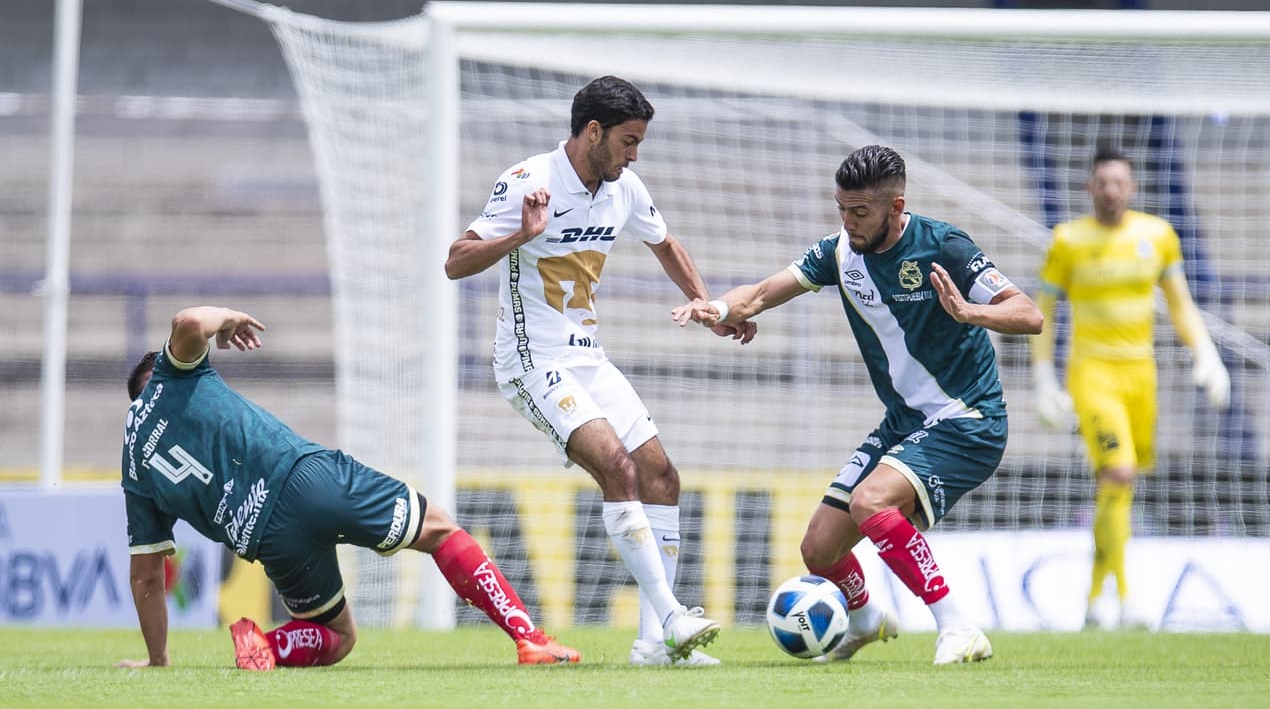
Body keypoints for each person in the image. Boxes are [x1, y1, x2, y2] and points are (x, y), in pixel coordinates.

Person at [673, 144, 1044, 665]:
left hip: (968, 419)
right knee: (820, 548)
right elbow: (759, 294)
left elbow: (1029, 315)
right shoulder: (840, 252)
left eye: (860, 212)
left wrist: (969, 313)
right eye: (841, 209)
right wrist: (715, 307)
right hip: (906, 422)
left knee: (871, 502)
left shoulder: (945, 246)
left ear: (895, 207)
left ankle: (958, 626)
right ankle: (867, 620)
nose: (847, 222)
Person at [446, 75, 748, 666]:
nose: (634, 154)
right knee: (616, 464)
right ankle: (671, 617)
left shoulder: (624, 188)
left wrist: (706, 303)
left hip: (588, 357)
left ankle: (652, 646)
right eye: (628, 141)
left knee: (661, 474)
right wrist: (521, 236)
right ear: (593, 132)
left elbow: (665, 244)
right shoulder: (526, 182)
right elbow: (455, 261)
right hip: (531, 363)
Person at [117, 305, 580, 670]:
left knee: (338, 637)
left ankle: (267, 644)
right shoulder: (173, 375)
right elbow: (191, 320)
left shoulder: (134, 466)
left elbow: (146, 576)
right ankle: (529, 638)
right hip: (303, 478)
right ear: (162, 368)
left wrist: (158, 659)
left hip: (267, 541)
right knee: (438, 529)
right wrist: (231, 318)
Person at [1031, 149, 1230, 630]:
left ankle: (1096, 596)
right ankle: (1125, 596)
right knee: (1118, 473)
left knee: (1119, 487)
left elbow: (1179, 303)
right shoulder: (1068, 240)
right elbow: (1046, 311)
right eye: (1102, 182)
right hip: (1092, 374)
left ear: (1133, 187)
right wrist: (1043, 376)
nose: (1111, 191)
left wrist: (1206, 351)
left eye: (1119, 182)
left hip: (1142, 375)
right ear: (1090, 188)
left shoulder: (1157, 236)